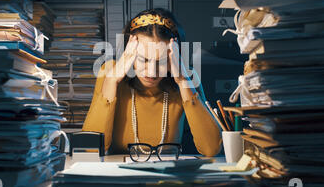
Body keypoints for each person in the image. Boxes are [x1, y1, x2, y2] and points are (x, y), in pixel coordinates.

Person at [82, 8, 222, 157]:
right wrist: (111, 81)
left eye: (161, 61)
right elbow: (90, 149)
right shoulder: (110, 72)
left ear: (173, 57)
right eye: (143, 59)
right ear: (128, 53)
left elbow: (211, 149)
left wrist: (182, 81)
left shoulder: (187, 77)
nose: (151, 72)